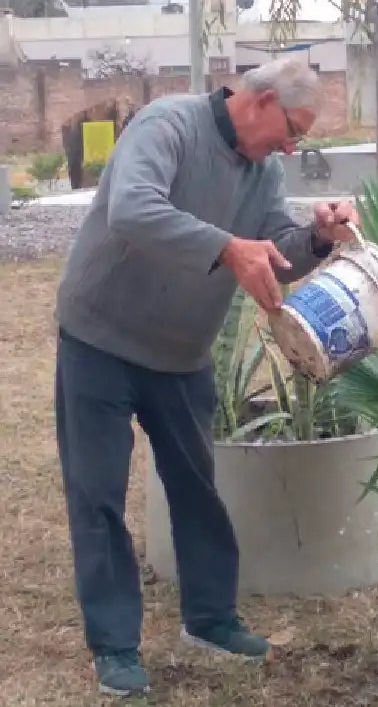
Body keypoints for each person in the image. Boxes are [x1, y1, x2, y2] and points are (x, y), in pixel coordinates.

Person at [53, 57, 360, 696]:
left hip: (181, 355)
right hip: (99, 342)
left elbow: (274, 247)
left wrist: (320, 237)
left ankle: (210, 619)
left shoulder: (263, 169)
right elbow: (132, 209)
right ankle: (113, 647)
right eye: (292, 128)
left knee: (197, 490)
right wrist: (225, 246)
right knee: (98, 497)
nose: (292, 145)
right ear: (263, 98)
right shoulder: (168, 125)